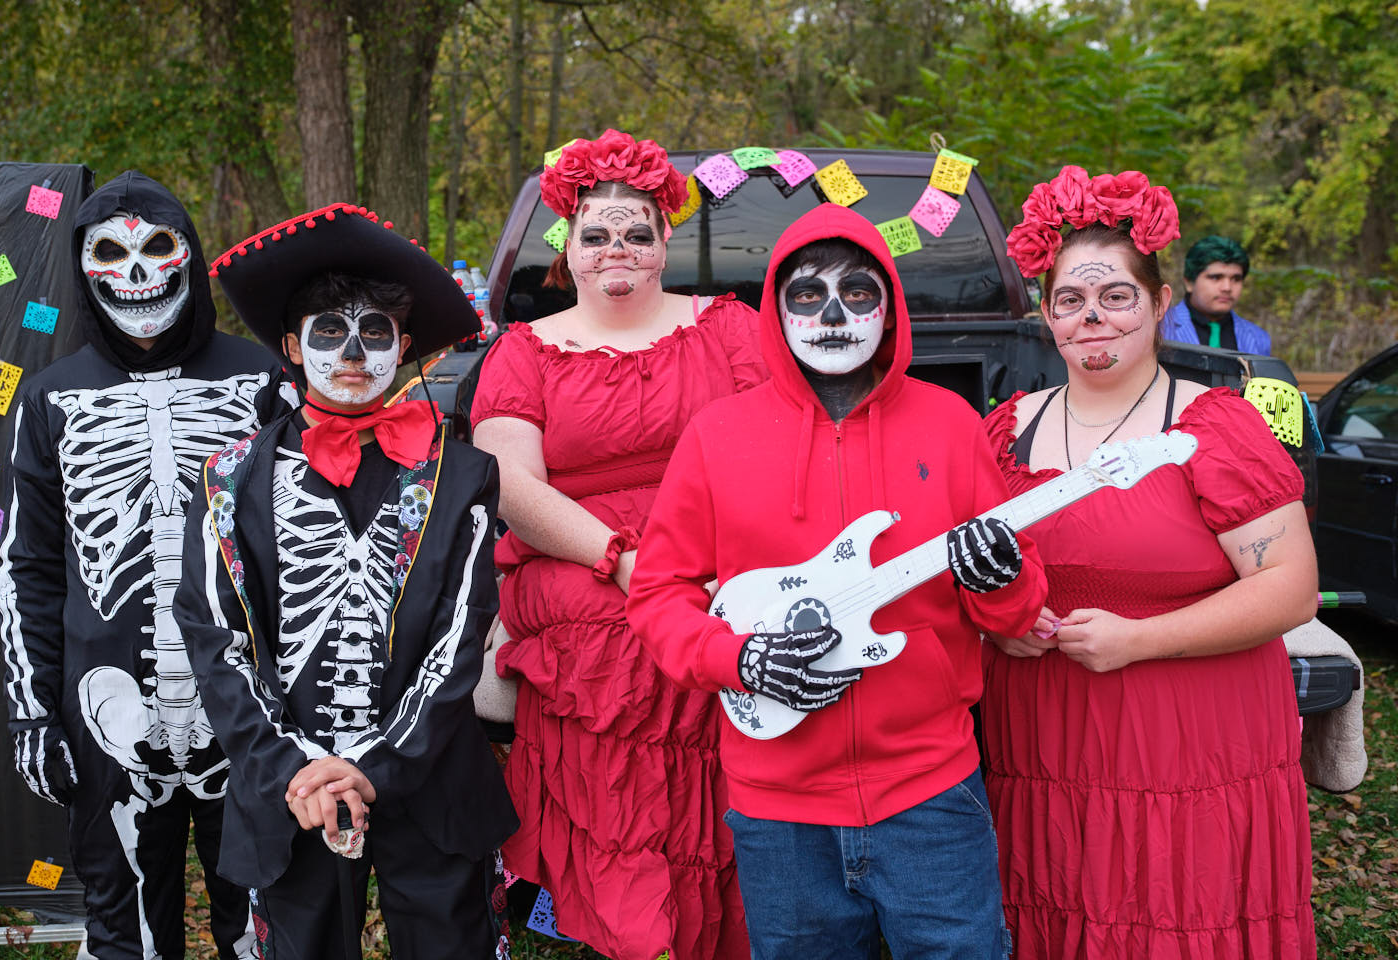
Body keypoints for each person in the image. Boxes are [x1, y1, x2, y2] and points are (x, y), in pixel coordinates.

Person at [626, 203, 1049, 960]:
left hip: (929, 792)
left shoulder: (951, 425)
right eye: (806, 294)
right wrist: (739, 659)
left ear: (889, 311)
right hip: (777, 805)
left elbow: (1016, 611)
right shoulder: (717, 436)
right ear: (775, 310)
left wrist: (1002, 579)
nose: (831, 314)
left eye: (857, 293)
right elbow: (658, 596)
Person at [174, 203, 517, 960]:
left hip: (430, 779)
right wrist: (297, 769)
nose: (354, 352)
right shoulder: (231, 479)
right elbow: (215, 636)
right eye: (330, 331)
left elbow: (461, 636)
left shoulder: (462, 477)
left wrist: (372, 767)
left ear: (404, 350)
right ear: (293, 347)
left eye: (376, 333)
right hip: (288, 787)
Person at [990, 167, 1317, 957]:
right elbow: (969, 573)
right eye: (1070, 299)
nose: (1091, 316)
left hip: (1188, 737)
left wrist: (1141, 639)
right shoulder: (1003, 434)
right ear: (1045, 314)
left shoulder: (1214, 428)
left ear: (1160, 303)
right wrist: (997, 627)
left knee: (1180, 913)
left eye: (1116, 297)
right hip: (1044, 738)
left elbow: (1291, 588)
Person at [470, 129, 766, 960]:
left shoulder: (730, 330)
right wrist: (625, 560)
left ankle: (715, 921)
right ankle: (624, 927)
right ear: (570, 244)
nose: (617, 250)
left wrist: (702, 565)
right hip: (582, 569)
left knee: (708, 636)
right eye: (596, 234)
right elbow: (514, 488)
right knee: (610, 637)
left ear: (666, 238)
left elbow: (773, 450)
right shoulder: (525, 350)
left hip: (718, 560)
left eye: (637, 231)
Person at [0, 171, 293, 959]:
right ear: (82, 268)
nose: (135, 273)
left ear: (189, 257)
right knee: (124, 926)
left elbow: (303, 544)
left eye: (156, 248)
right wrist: (32, 710)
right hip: (109, 709)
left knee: (266, 921)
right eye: (111, 254)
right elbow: (28, 564)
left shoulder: (261, 380)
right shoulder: (52, 398)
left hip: (251, 705)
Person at [1160, 234, 1270, 354]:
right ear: (1189, 283)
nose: (1227, 288)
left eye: (1236, 279)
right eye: (1216, 277)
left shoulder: (1258, 338)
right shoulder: (1160, 328)